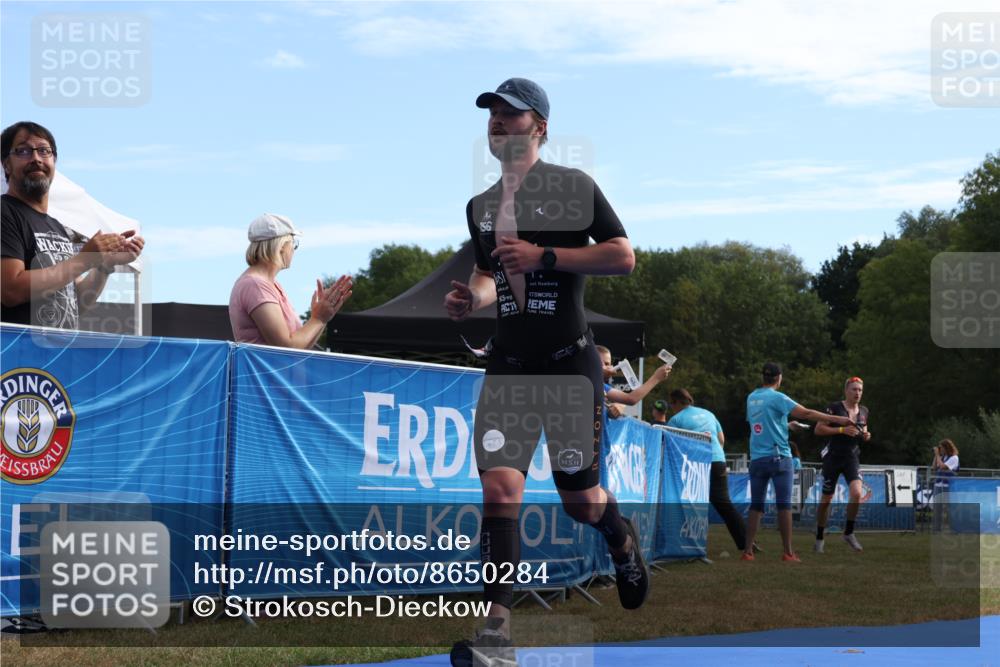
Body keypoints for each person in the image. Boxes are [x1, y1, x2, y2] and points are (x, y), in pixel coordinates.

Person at [444, 77, 645, 666]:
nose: (499, 122)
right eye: (493, 115)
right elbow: (490, 275)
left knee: (579, 502)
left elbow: (623, 256)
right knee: (500, 490)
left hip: (567, 366)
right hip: (508, 365)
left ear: (541, 127)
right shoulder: (479, 207)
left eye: (512, 114)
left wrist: (546, 256)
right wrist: (472, 300)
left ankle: (619, 537)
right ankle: (498, 636)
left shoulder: (572, 187)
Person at [1, 121, 144, 329]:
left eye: (44, 151)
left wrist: (104, 265)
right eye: (23, 151)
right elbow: (10, 290)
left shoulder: (58, 227)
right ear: (6, 164)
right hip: (19, 356)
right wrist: (84, 260)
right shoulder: (5, 212)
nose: (36, 158)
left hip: (57, 355)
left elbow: (75, 304)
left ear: (54, 161)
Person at [742, 362, 852, 563]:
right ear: (779, 378)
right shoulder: (778, 397)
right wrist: (837, 419)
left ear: (763, 377)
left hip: (757, 458)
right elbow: (807, 413)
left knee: (755, 506)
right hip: (779, 458)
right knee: (784, 505)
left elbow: (762, 423)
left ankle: (747, 552)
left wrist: (786, 424)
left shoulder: (752, 397)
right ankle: (788, 552)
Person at [229, 213, 352, 348]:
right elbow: (286, 347)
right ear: (281, 246)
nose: (294, 249)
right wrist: (318, 318)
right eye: (293, 242)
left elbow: (301, 348)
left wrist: (322, 317)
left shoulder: (270, 285)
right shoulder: (255, 285)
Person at [667, 388, 750, 553]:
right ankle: (747, 543)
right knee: (725, 505)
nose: (671, 407)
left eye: (671, 404)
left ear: (676, 402)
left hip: (695, 463)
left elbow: (671, 444)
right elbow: (721, 439)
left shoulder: (676, 419)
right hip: (718, 459)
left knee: (687, 500)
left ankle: (684, 542)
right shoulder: (708, 413)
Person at [813, 376, 871, 553]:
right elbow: (818, 429)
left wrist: (866, 435)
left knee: (856, 493)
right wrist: (841, 430)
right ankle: (820, 537)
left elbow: (864, 429)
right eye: (854, 389)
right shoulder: (835, 408)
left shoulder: (863, 410)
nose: (857, 393)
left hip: (851, 457)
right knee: (826, 500)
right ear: (846, 390)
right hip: (833, 457)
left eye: (860, 390)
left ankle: (849, 532)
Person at [597, 344, 671, 419]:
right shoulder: (588, 381)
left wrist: (621, 406)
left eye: (608, 364)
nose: (607, 367)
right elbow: (631, 399)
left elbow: (630, 399)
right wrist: (656, 377)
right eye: (603, 363)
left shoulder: (602, 386)